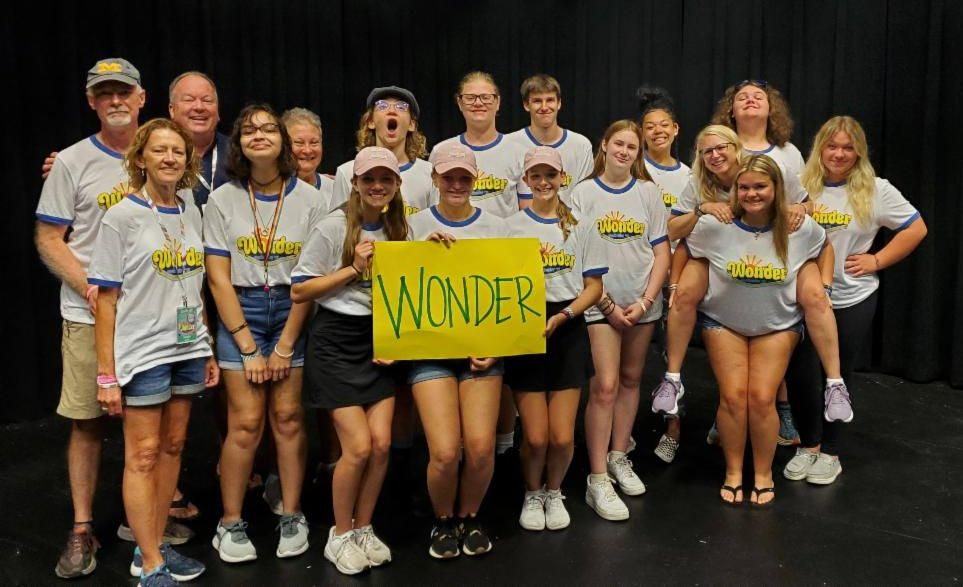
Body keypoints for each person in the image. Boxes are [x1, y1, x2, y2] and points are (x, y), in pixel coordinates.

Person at [654, 125, 844, 448]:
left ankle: (824, 389)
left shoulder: (770, 169)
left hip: (774, 252)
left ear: (736, 147)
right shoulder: (698, 184)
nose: (715, 155)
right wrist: (701, 210)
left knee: (810, 298)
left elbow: (810, 212)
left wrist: (799, 210)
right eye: (707, 151)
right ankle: (674, 380)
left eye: (721, 148)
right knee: (685, 295)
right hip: (719, 254)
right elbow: (677, 235)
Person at [88, 118, 217, 586]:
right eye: (160, 150)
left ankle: (155, 546)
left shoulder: (190, 210)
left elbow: (195, 286)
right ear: (140, 157)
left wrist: (205, 346)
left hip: (186, 348)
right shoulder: (121, 216)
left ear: (188, 161)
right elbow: (106, 300)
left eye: (178, 152)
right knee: (142, 455)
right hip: (143, 354)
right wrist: (107, 375)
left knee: (172, 448)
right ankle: (150, 564)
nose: (169, 158)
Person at [35, 57, 145, 580]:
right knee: (87, 421)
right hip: (86, 315)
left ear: (142, 98)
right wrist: (92, 288)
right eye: (105, 93)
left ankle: (145, 520)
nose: (115, 100)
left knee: (150, 423)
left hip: (150, 319)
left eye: (124, 91)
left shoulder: (162, 153)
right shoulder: (73, 162)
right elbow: (49, 238)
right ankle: (82, 527)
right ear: (91, 102)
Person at [204, 104, 322, 563]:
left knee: (288, 418)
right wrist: (248, 347)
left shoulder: (310, 199)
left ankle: (292, 513)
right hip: (243, 310)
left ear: (282, 141)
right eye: (249, 130)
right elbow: (218, 279)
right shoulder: (223, 199)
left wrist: (286, 344)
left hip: (293, 309)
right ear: (238, 143)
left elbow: (310, 278)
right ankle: (230, 523)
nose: (259, 135)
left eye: (268, 128)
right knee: (246, 423)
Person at [782, 116, 926, 485]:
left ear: (859, 152)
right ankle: (809, 445)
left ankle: (830, 452)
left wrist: (876, 260)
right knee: (800, 373)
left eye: (848, 148)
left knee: (837, 374)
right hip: (802, 298)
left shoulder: (877, 189)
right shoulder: (799, 185)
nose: (839, 154)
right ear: (820, 148)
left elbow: (916, 228)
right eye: (832, 146)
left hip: (851, 296)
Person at [684, 154, 831, 506]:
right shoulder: (716, 225)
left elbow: (825, 246)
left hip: (777, 324)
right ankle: (734, 471)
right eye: (744, 187)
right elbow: (683, 249)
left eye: (760, 186)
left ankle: (763, 473)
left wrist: (824, 285)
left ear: (776, 188)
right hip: (723, 322)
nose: (751, 194)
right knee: (734, 397)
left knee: (763, 398)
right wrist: (678, 286)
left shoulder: (797, 227)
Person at [291, 146, 407, 575]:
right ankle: (339, 534)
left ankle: (363, 527)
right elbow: (299, 290)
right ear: (354, 183)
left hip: (378, 342)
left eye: (386, 179)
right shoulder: (332, 226)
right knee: (356, 447)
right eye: (369, 179)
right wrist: (353, 269)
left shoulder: (399, 227)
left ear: (397, 185)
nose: (377, 186)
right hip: (335, 342)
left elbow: (406, 285)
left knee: (381, 446)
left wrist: (432, 252)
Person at [406, 143, 507, 558]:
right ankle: (443, 519)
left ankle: (470, 516)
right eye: (448, 177)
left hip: (481, 353)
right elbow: (395, 286)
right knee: (446, 452)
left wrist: (498, 348)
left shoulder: (497, 227)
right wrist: (418, 252)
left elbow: (507, 295)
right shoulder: (412, 225)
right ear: (435, 179)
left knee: (481, 448)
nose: (457, 184)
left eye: (464, 177)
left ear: (475, 180)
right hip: (430, 352)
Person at [568, 120, 669, 521]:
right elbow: (575, 255)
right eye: (619, 144)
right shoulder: (582, 193)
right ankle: (596, 478)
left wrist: (645, 302)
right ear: (604, 146)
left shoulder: (648, 193)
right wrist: (606, 303)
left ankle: (618, 455)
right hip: (599, 306)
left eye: (633, 147)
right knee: (605, 387)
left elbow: (661, 252)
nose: (625, 152)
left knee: (630, 380)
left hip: (641, 305)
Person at [505, 146, 605, 531]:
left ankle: (554, 490)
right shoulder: (511, 226)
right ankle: (532, 492)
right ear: (526, 180)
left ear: (562, 178)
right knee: (535, 436)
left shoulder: (582, 224)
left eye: (551, 175)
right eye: (536, 176)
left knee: (562, 438)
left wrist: (565, 316)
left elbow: (594, 287)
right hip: (526, 328)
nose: (544, 182)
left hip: (568, 327)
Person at [636, 86, 691, 463]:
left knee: (672, 357)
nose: (657, 131)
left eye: (663, 125)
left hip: (674, 277)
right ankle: (621, 429)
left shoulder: (689, 176)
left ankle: (673, 428)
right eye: (649, 126)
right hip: (636, 274)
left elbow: (690, 230)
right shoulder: (633, 169)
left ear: (675, 130)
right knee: (630, 360)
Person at [431, 71, 528, 218]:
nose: (478, 103)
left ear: (498, 102)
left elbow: (528, 213)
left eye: (485, 97)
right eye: (470, 98)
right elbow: (432, 205)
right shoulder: (441, 151)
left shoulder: (519, 151)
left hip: (504, 233)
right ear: (459, 103)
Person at [331, 86, 431, 215]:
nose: (392, 111)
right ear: (371, 121)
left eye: (401, 107)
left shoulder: (429, 173)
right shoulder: (347, 172)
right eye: (382, 106)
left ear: (412, 125)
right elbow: (337, 223)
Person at [507, 74, 594, 205]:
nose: (544, 107)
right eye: (537, 101)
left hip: (569, 218)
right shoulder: (510, 144)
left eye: (550, 100)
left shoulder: (581, 145)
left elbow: (585, 198)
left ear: (559, 103)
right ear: (526, 105)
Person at [710, 79, 805, 177]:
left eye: (758, 98)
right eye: (742, 98)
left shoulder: (790, 152)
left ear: (770, 109)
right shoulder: (717, 152)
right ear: (731, 111)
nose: (750, 100)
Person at [282, 107, 334, 206]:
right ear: (283, 145)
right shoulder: (272, 190)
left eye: (314, 142)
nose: (307, 150)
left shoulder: (334, 189)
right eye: (299, 143)